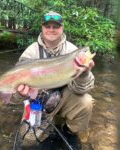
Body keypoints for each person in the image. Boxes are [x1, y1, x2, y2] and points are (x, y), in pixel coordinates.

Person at [17, 11, 95, 149]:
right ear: (42, 28)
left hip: (64, 97)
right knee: (28, 142)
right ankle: (49, 121)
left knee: (86, 102)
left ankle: (68, 131)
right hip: (38, 103)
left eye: (56, 26)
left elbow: (82, 89)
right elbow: (18, 89)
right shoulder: (31, 52)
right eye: (48, 26)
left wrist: (84, 73)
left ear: (62, 28)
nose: (51, 29)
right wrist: (21, 93)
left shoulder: (72, 51)